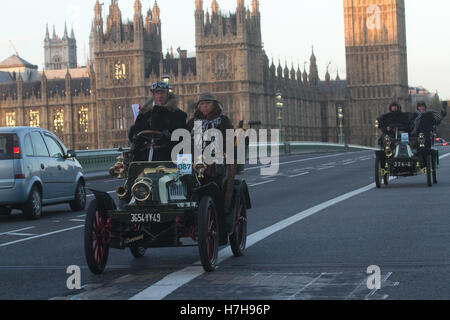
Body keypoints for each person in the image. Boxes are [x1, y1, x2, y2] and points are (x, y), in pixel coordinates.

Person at [128, 82, 187, 161]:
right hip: (146, 154)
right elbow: (136, 131)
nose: (160, 96)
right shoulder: (144, 114)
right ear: (153, 95)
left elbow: (182, 136)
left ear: (167, 95)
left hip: (170, 156)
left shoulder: (178, 114)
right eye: (157, 93)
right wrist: (137, 138)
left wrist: (168, 136)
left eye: (162, 93)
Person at [187, 92, 234, 186]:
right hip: (195, 159)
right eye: (202, 104)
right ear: (199, 107)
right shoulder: (192, 122)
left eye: (208, 103)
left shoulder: (223, 120)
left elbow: (229, 138)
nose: (205, 106)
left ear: (214, 105)